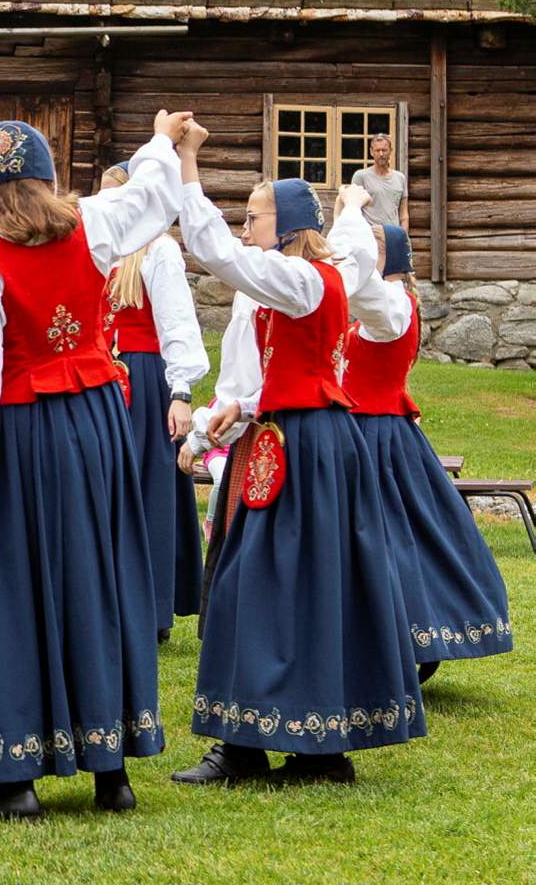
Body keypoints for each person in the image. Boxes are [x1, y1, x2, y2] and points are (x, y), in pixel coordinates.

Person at [0, 113, 190, 819]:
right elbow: (153, 193)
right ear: (46, 175)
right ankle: (112, 773)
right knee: (100, 578)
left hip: (24, 436)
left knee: (16, 588)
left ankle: (16, 781)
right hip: (99, 426)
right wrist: (163, 138)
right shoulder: (91, 224)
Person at [170, 162, 425, 789]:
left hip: (306, 449)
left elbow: (212, 250)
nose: (245, 226)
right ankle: (280, 747)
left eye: (253, 216)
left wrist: (187, 167)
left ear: (284, 227)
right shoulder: (325, 274)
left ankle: (291, 750)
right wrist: (240, 408)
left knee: (266, 586)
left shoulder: (300, 278)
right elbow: (357, 245)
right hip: (303, 439)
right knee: (288, 586)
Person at [342, 222, 511, 684]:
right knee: (379, 538)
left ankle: (411, 634)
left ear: (389, 258)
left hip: (379, 437)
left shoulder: (395, 306)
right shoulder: (372, 310)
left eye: (370, 249)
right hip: (361, 430)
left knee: (394, 538)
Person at [97, 163, 210, 643]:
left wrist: (180, 392)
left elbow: (178, 323)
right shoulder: (101, 250)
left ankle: (152, 608)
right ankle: (106, 605)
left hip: (144, 380)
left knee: (147, 491)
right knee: (105, 492)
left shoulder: (159, 250)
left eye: (111, 195)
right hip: (103, 378)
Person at [348, 133, 407, 230]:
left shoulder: (400, 178)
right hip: (369, 234)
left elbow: (404, 214)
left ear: (390, 151)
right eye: (377, 150)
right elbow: (353, 209)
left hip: (393, 235)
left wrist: (404, 237)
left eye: (384, 150)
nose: (381, 154)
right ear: (371, 152)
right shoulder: (360, 176)